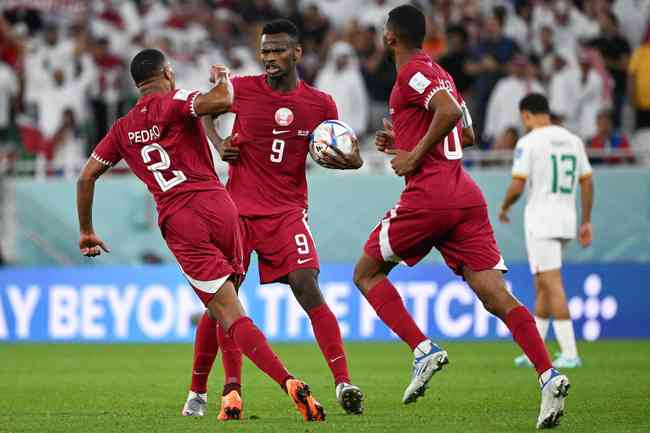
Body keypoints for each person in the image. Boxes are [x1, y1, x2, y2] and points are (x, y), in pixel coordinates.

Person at [76, 48, 325, 422]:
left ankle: (286, 381)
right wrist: (222, 78)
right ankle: (213, 395)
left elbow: (86, 177)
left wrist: (86, 231)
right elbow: (223, 99)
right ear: (167, 74)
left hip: (181, 219)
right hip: (222, 208)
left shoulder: (122, 129)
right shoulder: (176, 100)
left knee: (227, 310)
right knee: (225, 306)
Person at [351, 5, 569, 429]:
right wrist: (405, 138)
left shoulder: (411, 73)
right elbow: (464, 133)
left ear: (390, 37)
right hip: (464, 195)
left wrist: (413, 153)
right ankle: (548, 375)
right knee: (495, 296)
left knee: (366, 273)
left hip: (431, 196)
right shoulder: (441, 72)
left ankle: (422, 349)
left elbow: (448, 114)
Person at [184, 19, 365, 420]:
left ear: (297, 53)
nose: (269, 58)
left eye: (278, 50)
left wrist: (351, 158)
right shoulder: (241, 89)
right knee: (222, 300)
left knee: (307, 284)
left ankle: (343, 382)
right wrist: (219, 144)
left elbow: (347, 154)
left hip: (286, 212)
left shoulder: (321, 104)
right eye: (264, 51)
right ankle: (207, 391)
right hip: (238, 213)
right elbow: (200, 112)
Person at [499, 93, 594, 370]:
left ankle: (570, 351)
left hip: (541, 221)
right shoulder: (573, 140)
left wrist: (504, 207)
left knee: (551, 283)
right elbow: (587, 182)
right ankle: (535, 349)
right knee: (542, 283)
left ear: (526, 115)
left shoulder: (529, 142)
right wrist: (586, 220)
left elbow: (517, 185)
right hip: (566, 219)